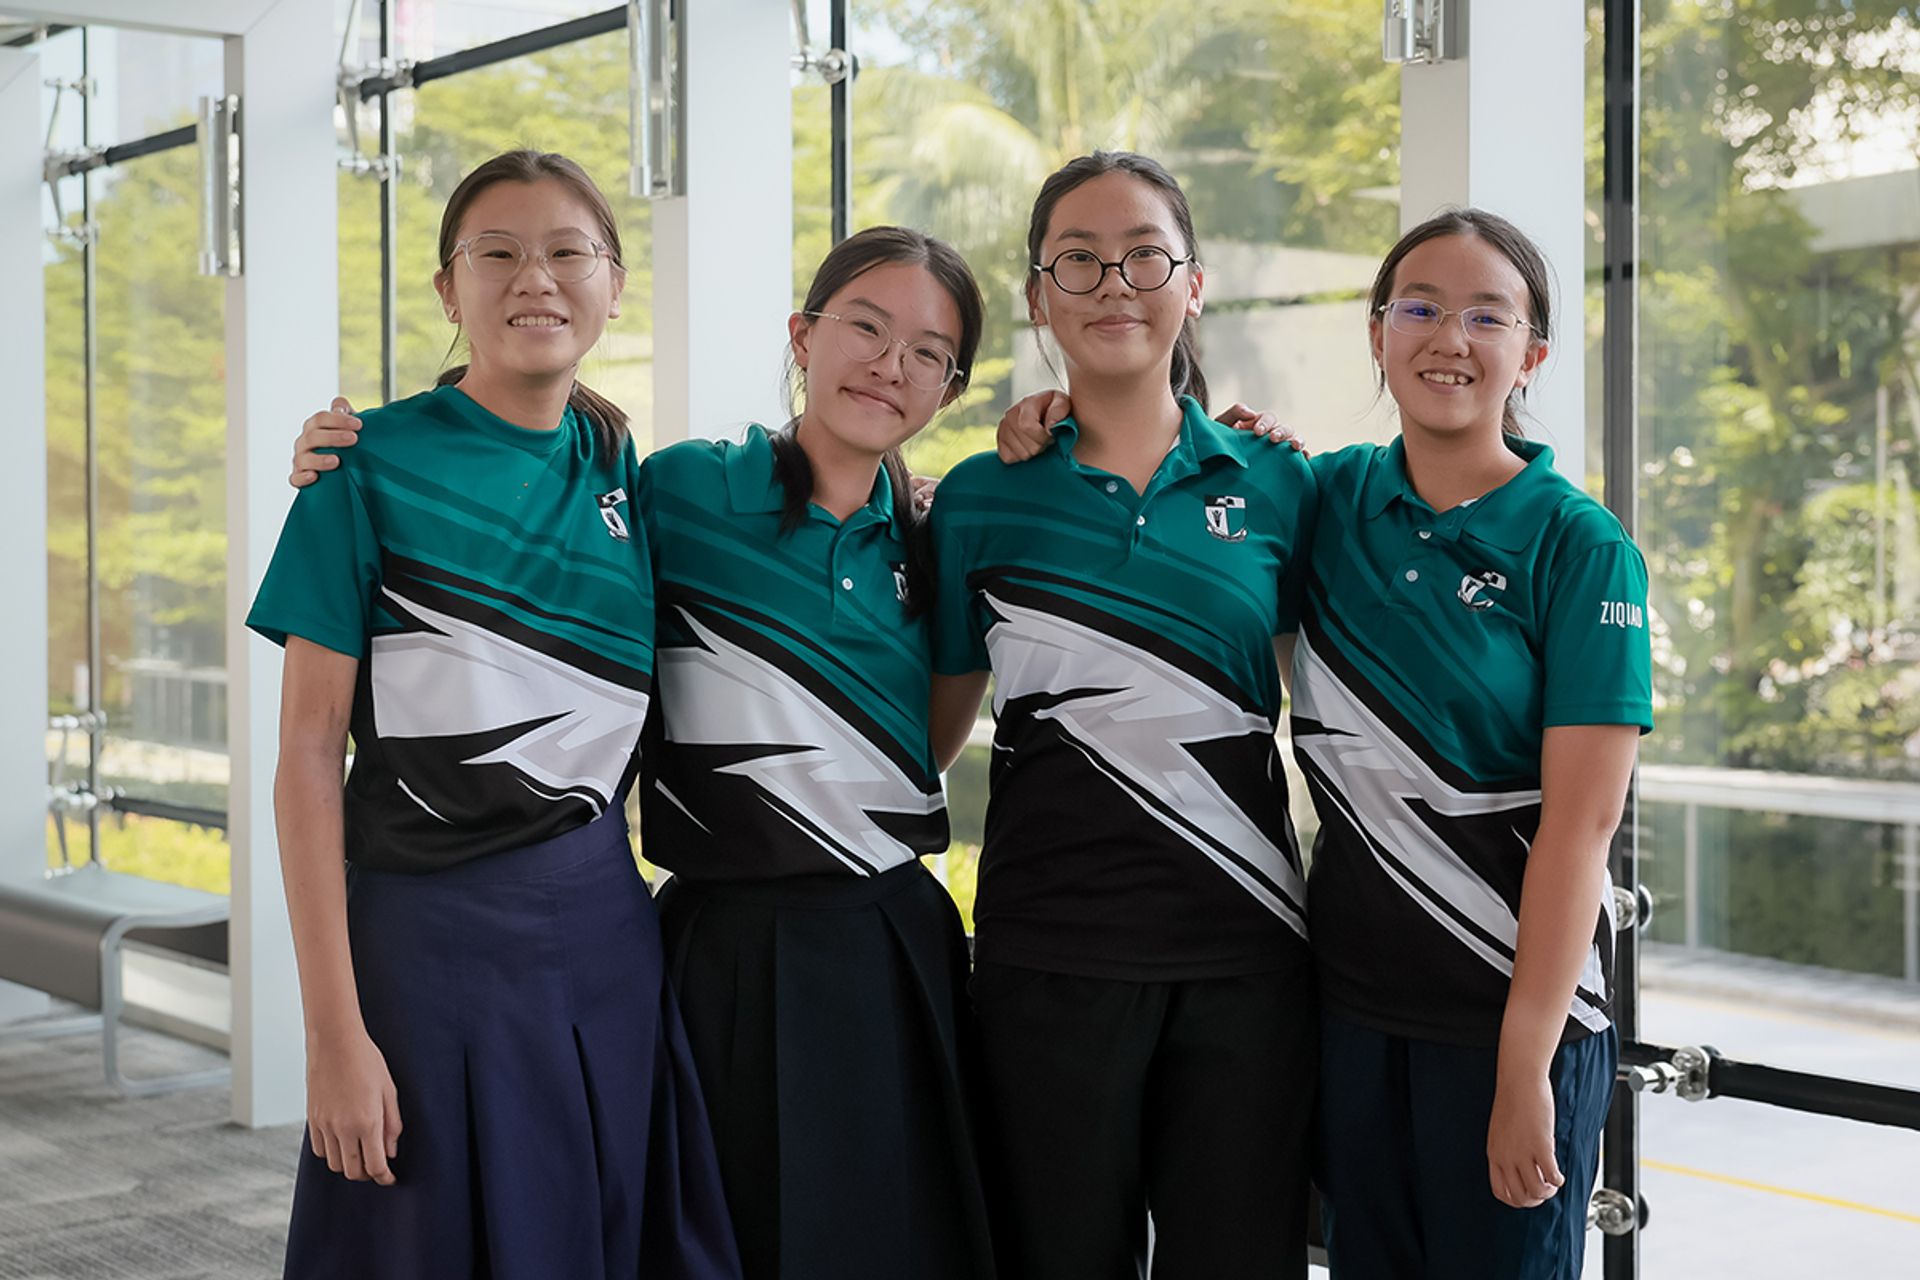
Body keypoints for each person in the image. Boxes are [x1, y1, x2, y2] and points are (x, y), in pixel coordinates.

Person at [285, 225, 997, 1280]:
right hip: (716, 943)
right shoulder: (677, 492)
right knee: (703, 1238)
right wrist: (352, 453)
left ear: (950, 385)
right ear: (803, 336)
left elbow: (929, 743)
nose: (892, 364)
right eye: (866, 326)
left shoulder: (946, 533)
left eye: (930, 352)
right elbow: (534, 481)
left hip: (890, 942)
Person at [999, 206, 1650, 1280]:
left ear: (1531, 353)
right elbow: (1171, 509)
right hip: (1346, 1016)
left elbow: (1583, 830)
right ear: (1379, 331)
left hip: (1513, 1026)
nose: (1451, 336)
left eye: (1489, 316)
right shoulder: (1320, 496)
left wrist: (1525, 1066)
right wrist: (1056, 421)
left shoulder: (1580, 547)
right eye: (1421, 306)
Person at [250, 149, 739, 1280]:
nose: (538, 278)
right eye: (500, 252)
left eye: (570, 252)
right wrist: (333, 1034)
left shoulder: (628, 469)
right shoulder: (365, 469)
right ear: (447, 288)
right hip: (425, 947)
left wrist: (924, 488)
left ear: (615, 287)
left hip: (607, 936)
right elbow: (308, 757)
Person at [928, 150, 1320, 1280]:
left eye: (1145, 254)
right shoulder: (978, 495)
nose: (1114, 283)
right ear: (1041, 296)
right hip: (1045, 962)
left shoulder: (1282, 482)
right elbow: (932, 735)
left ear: (1193, 283)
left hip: (1246, 962)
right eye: (1079, 262)